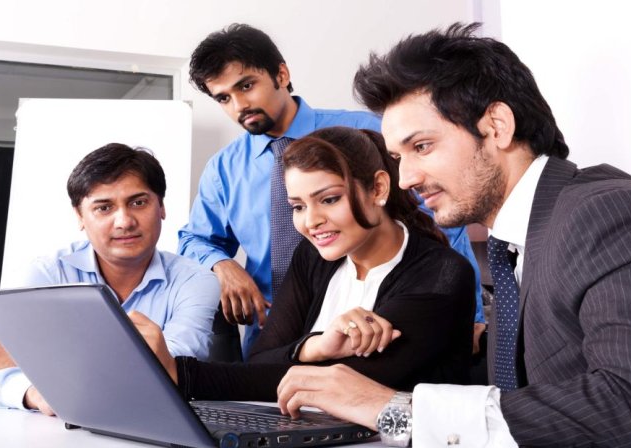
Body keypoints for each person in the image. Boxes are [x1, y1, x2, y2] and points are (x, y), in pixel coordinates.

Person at [276, 23, 631, 448]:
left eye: (422, 147)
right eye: (398, 157)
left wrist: (396, 408)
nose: (405, 179)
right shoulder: (514, 242)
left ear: (497, 126)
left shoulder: (605, 212)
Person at [178, 23, 484, 358]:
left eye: (246, 86)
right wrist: (223, 265)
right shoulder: (224, 170)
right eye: (224, 98)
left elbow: (436, 217)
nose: (239, 106)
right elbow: (194, 239)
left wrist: (470, 313)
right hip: (275, 343)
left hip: (374, 330)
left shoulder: (364, 132)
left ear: (281, 74)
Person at [132, 126, 475, 402]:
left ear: (378, 188)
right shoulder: (313, 256)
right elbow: (260, 360)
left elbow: (344, 384)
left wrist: (182, 374)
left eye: (329, 199)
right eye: (298, 206)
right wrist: (316, 345)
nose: (312, 221)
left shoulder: (442, 274)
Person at [0, 143, 220, 415]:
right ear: (80, 216)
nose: (124, 221)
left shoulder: (195, 280)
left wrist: (22, 355)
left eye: (139, 202)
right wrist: (33, 394)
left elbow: (173, 366)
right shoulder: (46, 274)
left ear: (162, 207)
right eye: (104, 208)